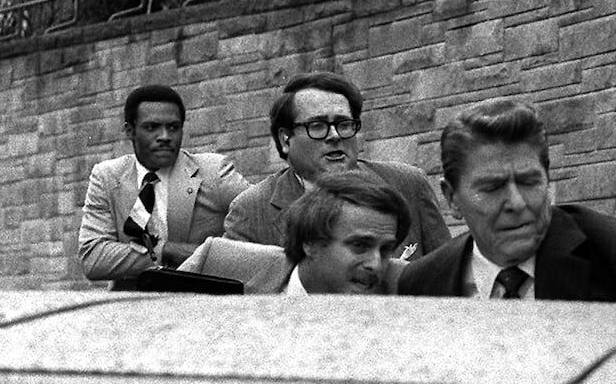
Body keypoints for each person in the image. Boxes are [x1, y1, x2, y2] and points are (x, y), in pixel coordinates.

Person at [396, 98, 616, 302]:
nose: (517, 203)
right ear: (451, 198)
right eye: (493, 188)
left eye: (528, 182)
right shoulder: (422, 285)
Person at [224, 72, 449, 260]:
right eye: (317, 125)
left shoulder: (408, 184)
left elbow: (448, 274)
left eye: (344, 124)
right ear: (285, 140)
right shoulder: (251, 212)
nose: (334, 135)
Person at [78, 85, 250, 290]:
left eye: (174, 127)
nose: (165, 136)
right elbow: (93, 257)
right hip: (132, 303)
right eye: (152, 127)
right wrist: (167, 250)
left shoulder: (213, 172)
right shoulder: (107, 177)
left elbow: (262, 216)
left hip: (200, 302)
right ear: (130, 130)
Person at [178, 171, 410, 295]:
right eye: (360, 246)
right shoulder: (218, 264)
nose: (376, 264)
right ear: (311, 242)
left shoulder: (406, 288)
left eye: (386, 249)